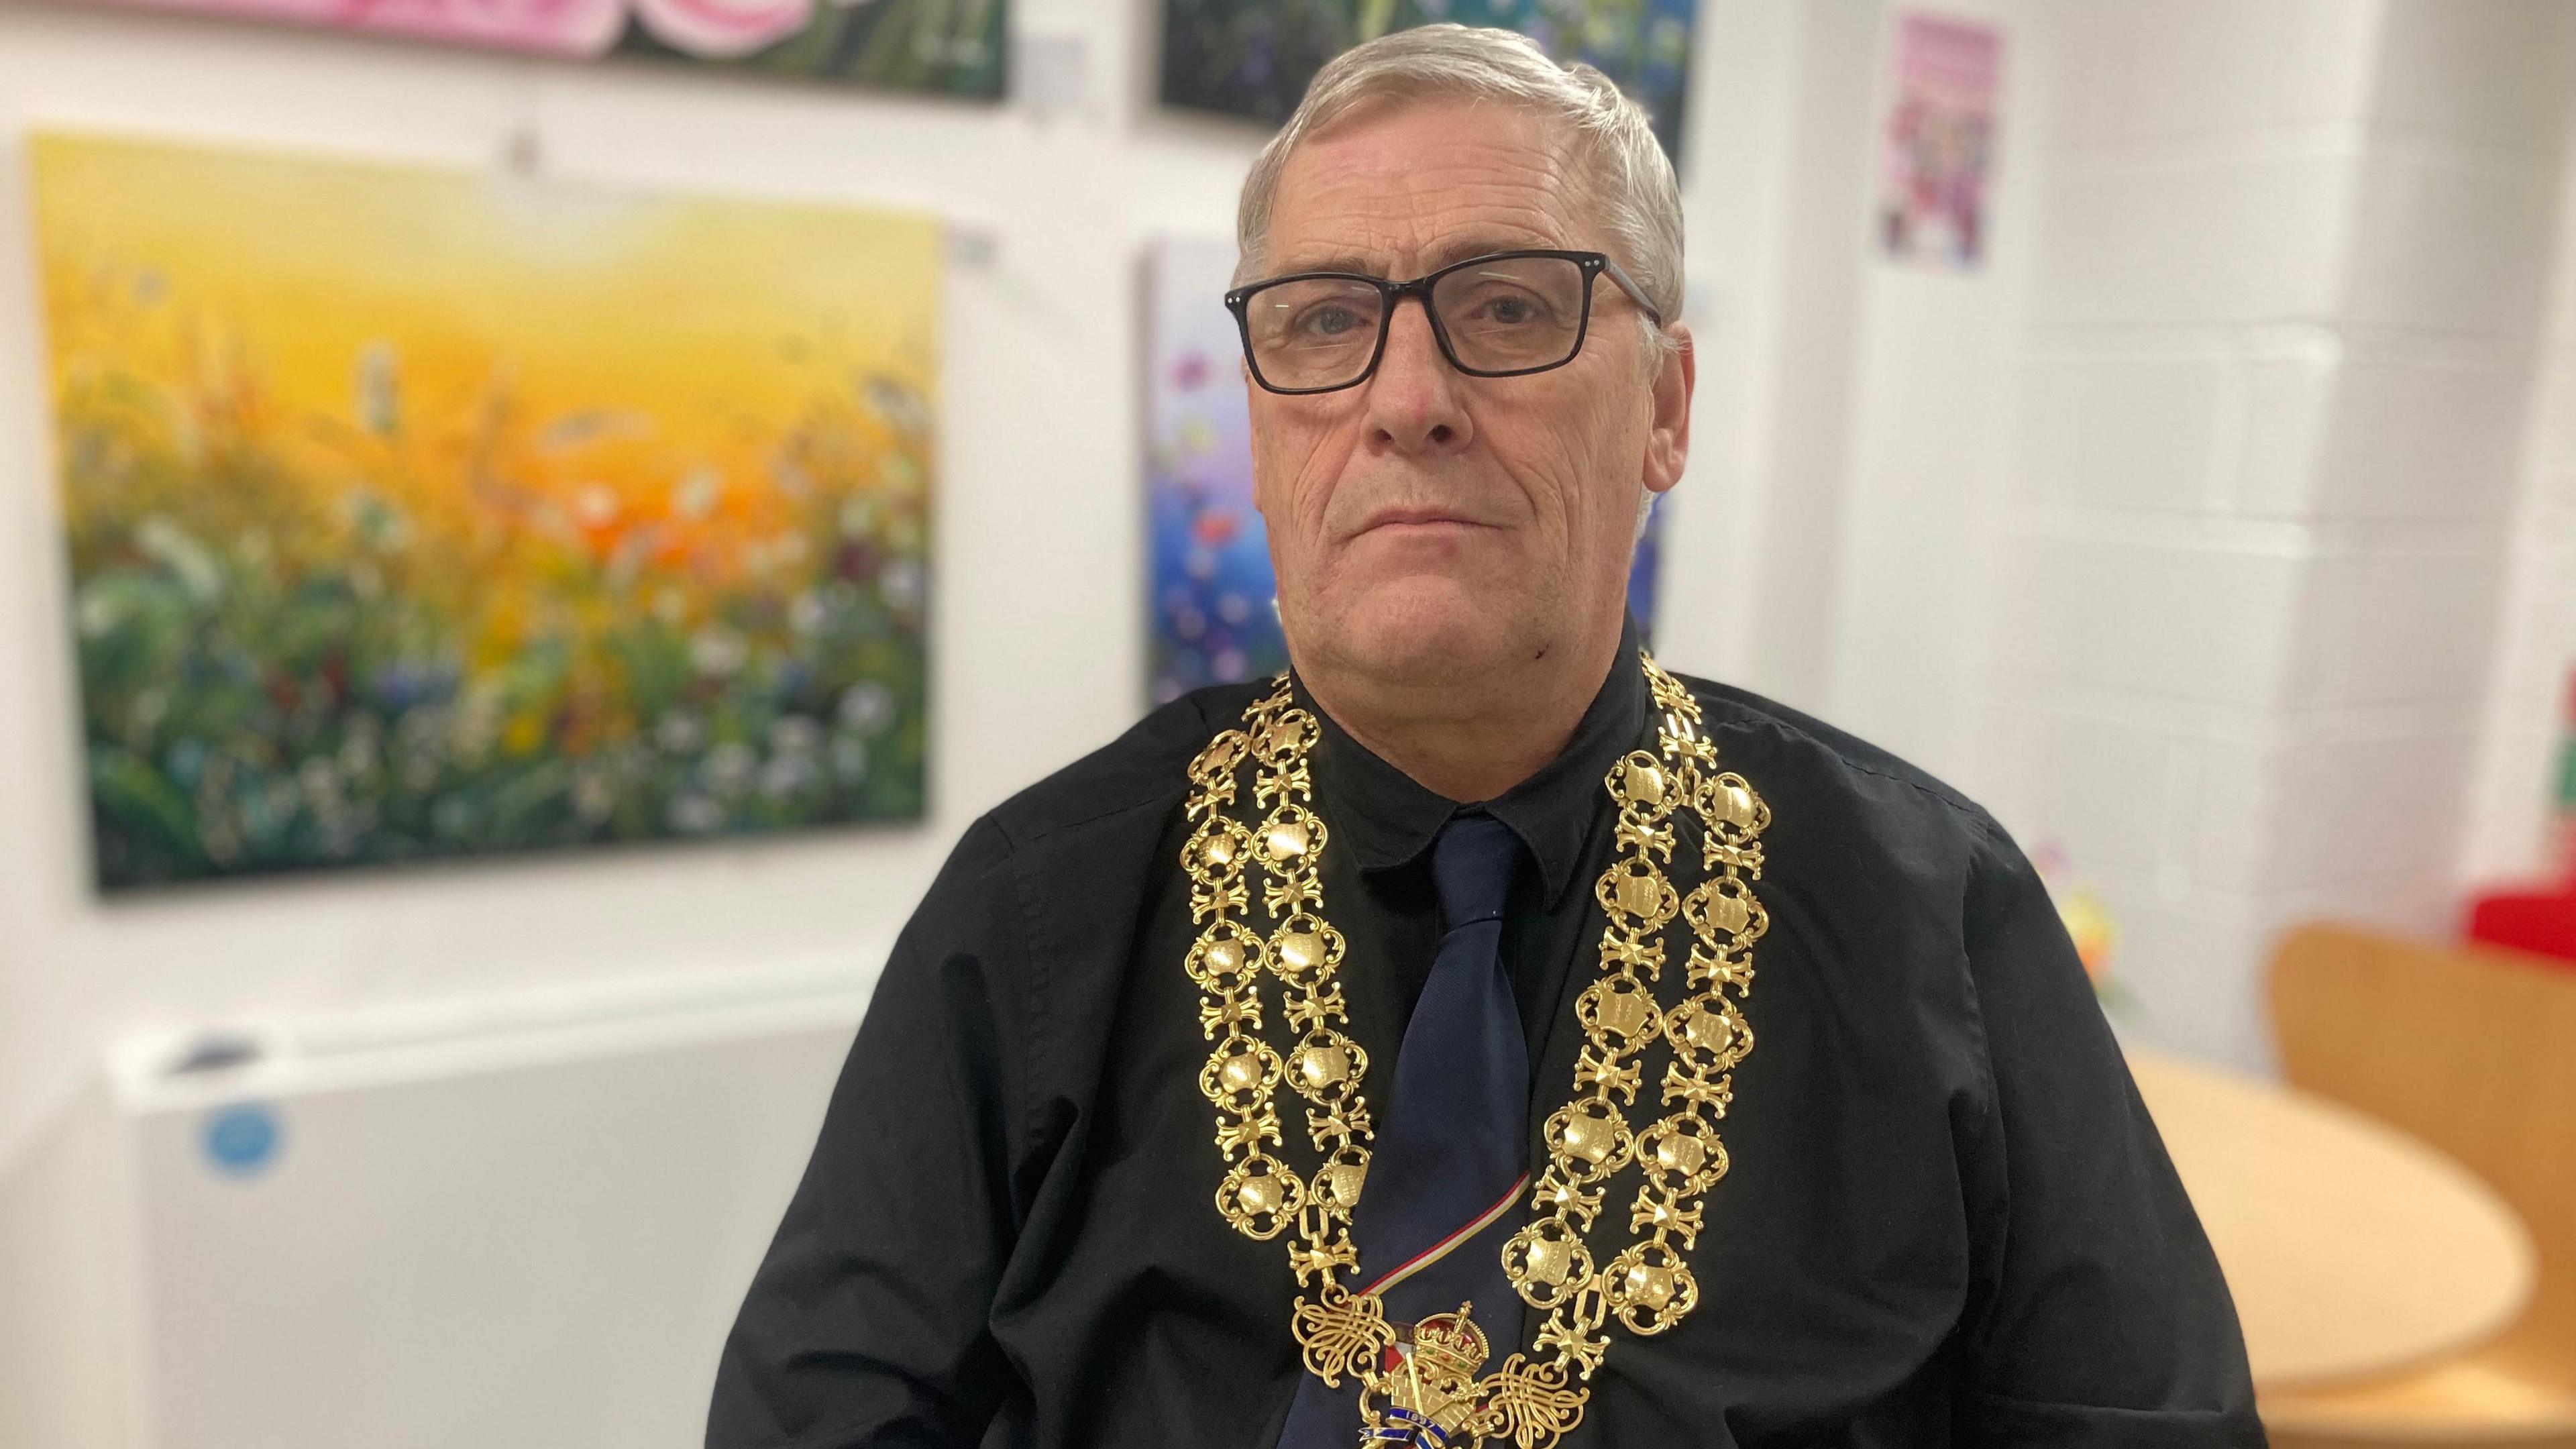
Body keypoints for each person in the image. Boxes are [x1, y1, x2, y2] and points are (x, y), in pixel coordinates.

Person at [706, 24, 2262, 1449]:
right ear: (1261, 428)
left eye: (1507, 305)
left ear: (1667, 403)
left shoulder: (1935, 910)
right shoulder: (1042, 911)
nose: (1407, 398)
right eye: (1323, 322)